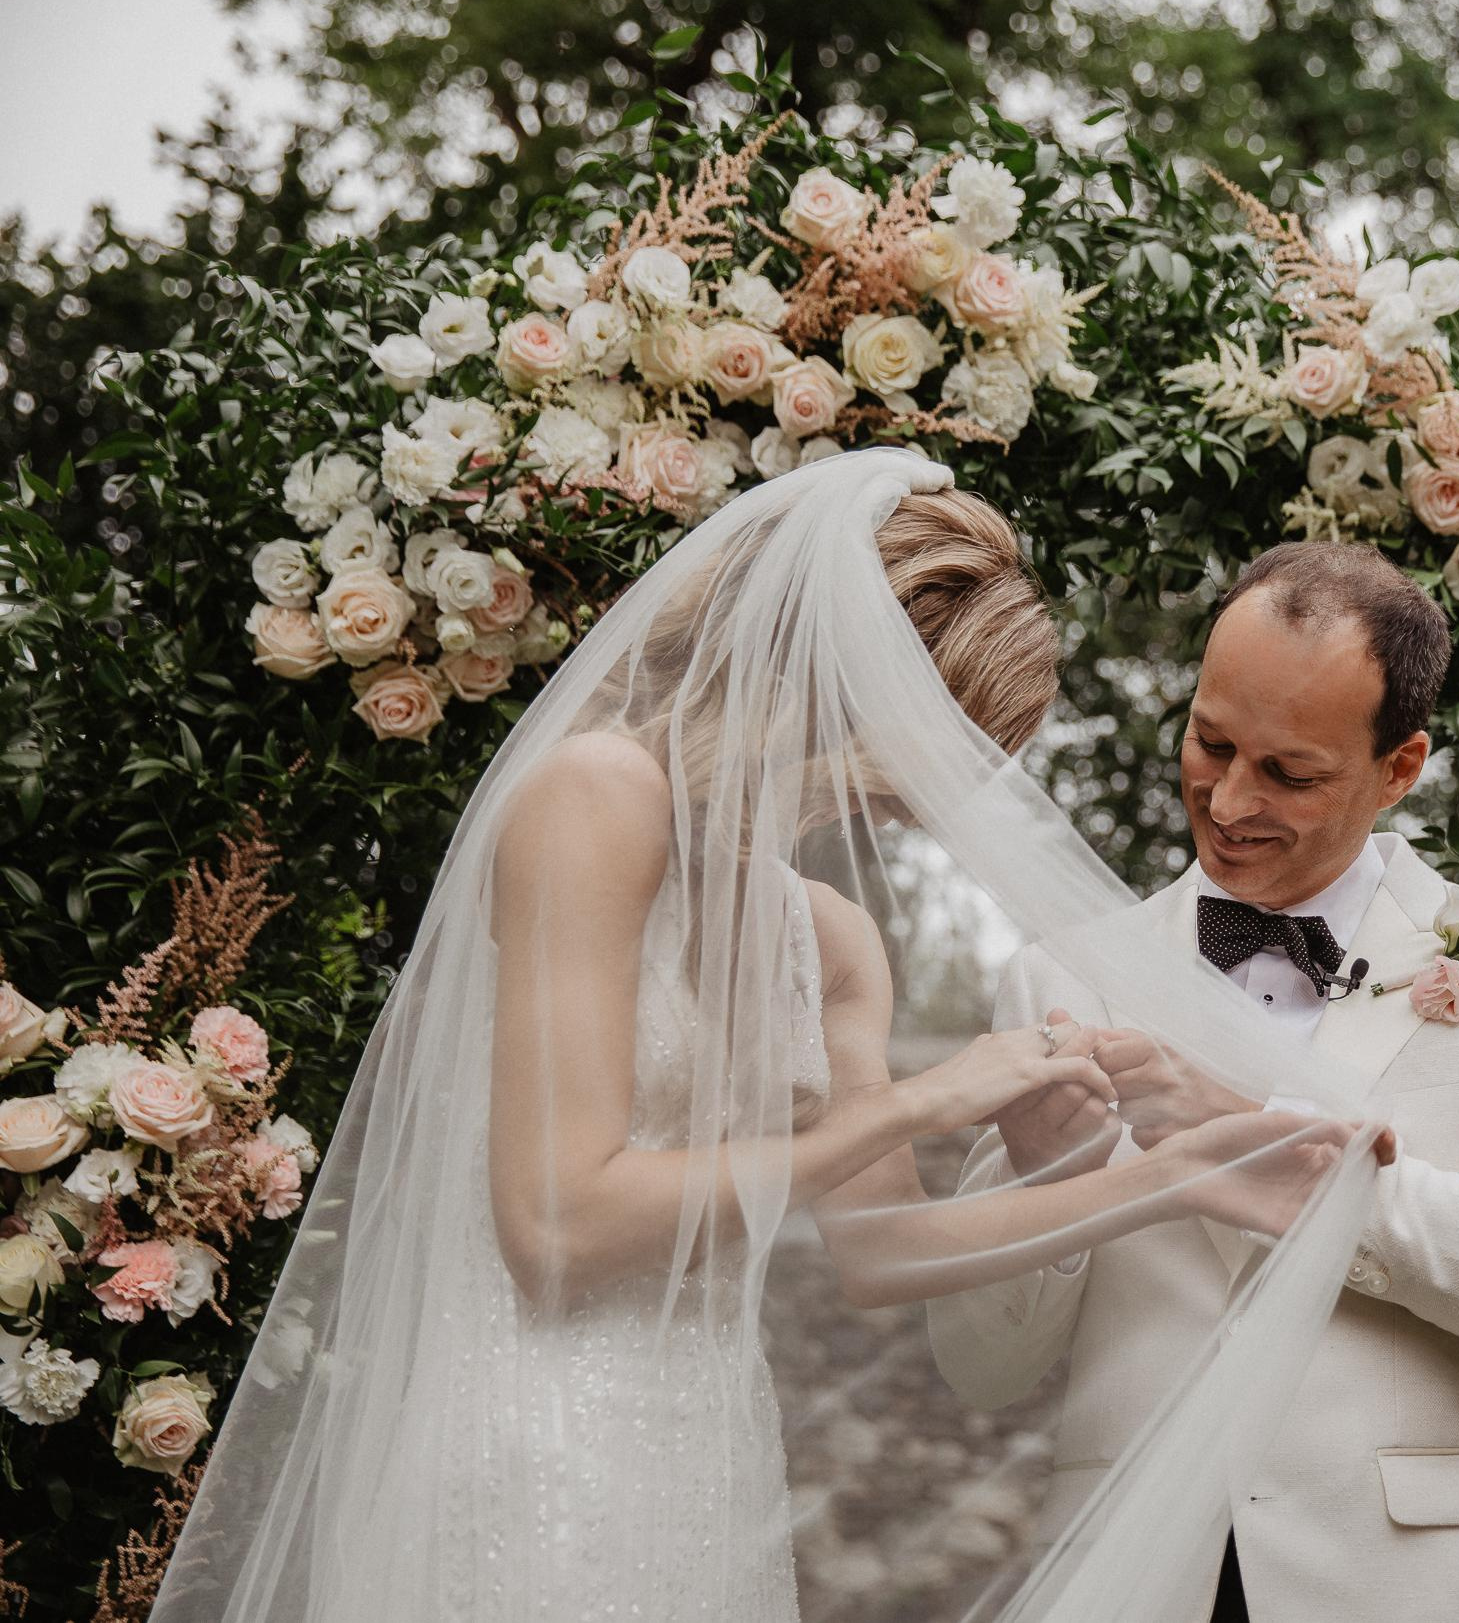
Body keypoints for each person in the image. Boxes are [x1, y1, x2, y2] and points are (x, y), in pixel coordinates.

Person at [157, 451, 1365, 1623]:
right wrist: (912, 1103)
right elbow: (555, 1227)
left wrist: (1163, 1178)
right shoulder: (595, 795)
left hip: (707, 1455)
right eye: (925, 746)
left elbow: (881, 1253)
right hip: (534, 1437)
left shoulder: (827, 934)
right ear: (838, 680)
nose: (918, 799)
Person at [928, 542, 1459, 1623]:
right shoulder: (1061, 974)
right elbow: (976, 1366)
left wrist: (1263, 1139)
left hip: (1418, 1586)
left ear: (1401, 767)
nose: (1229, 797)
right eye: (1209, 742)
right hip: (1130, 1575)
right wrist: (1044, 1182)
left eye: (1290, 772)